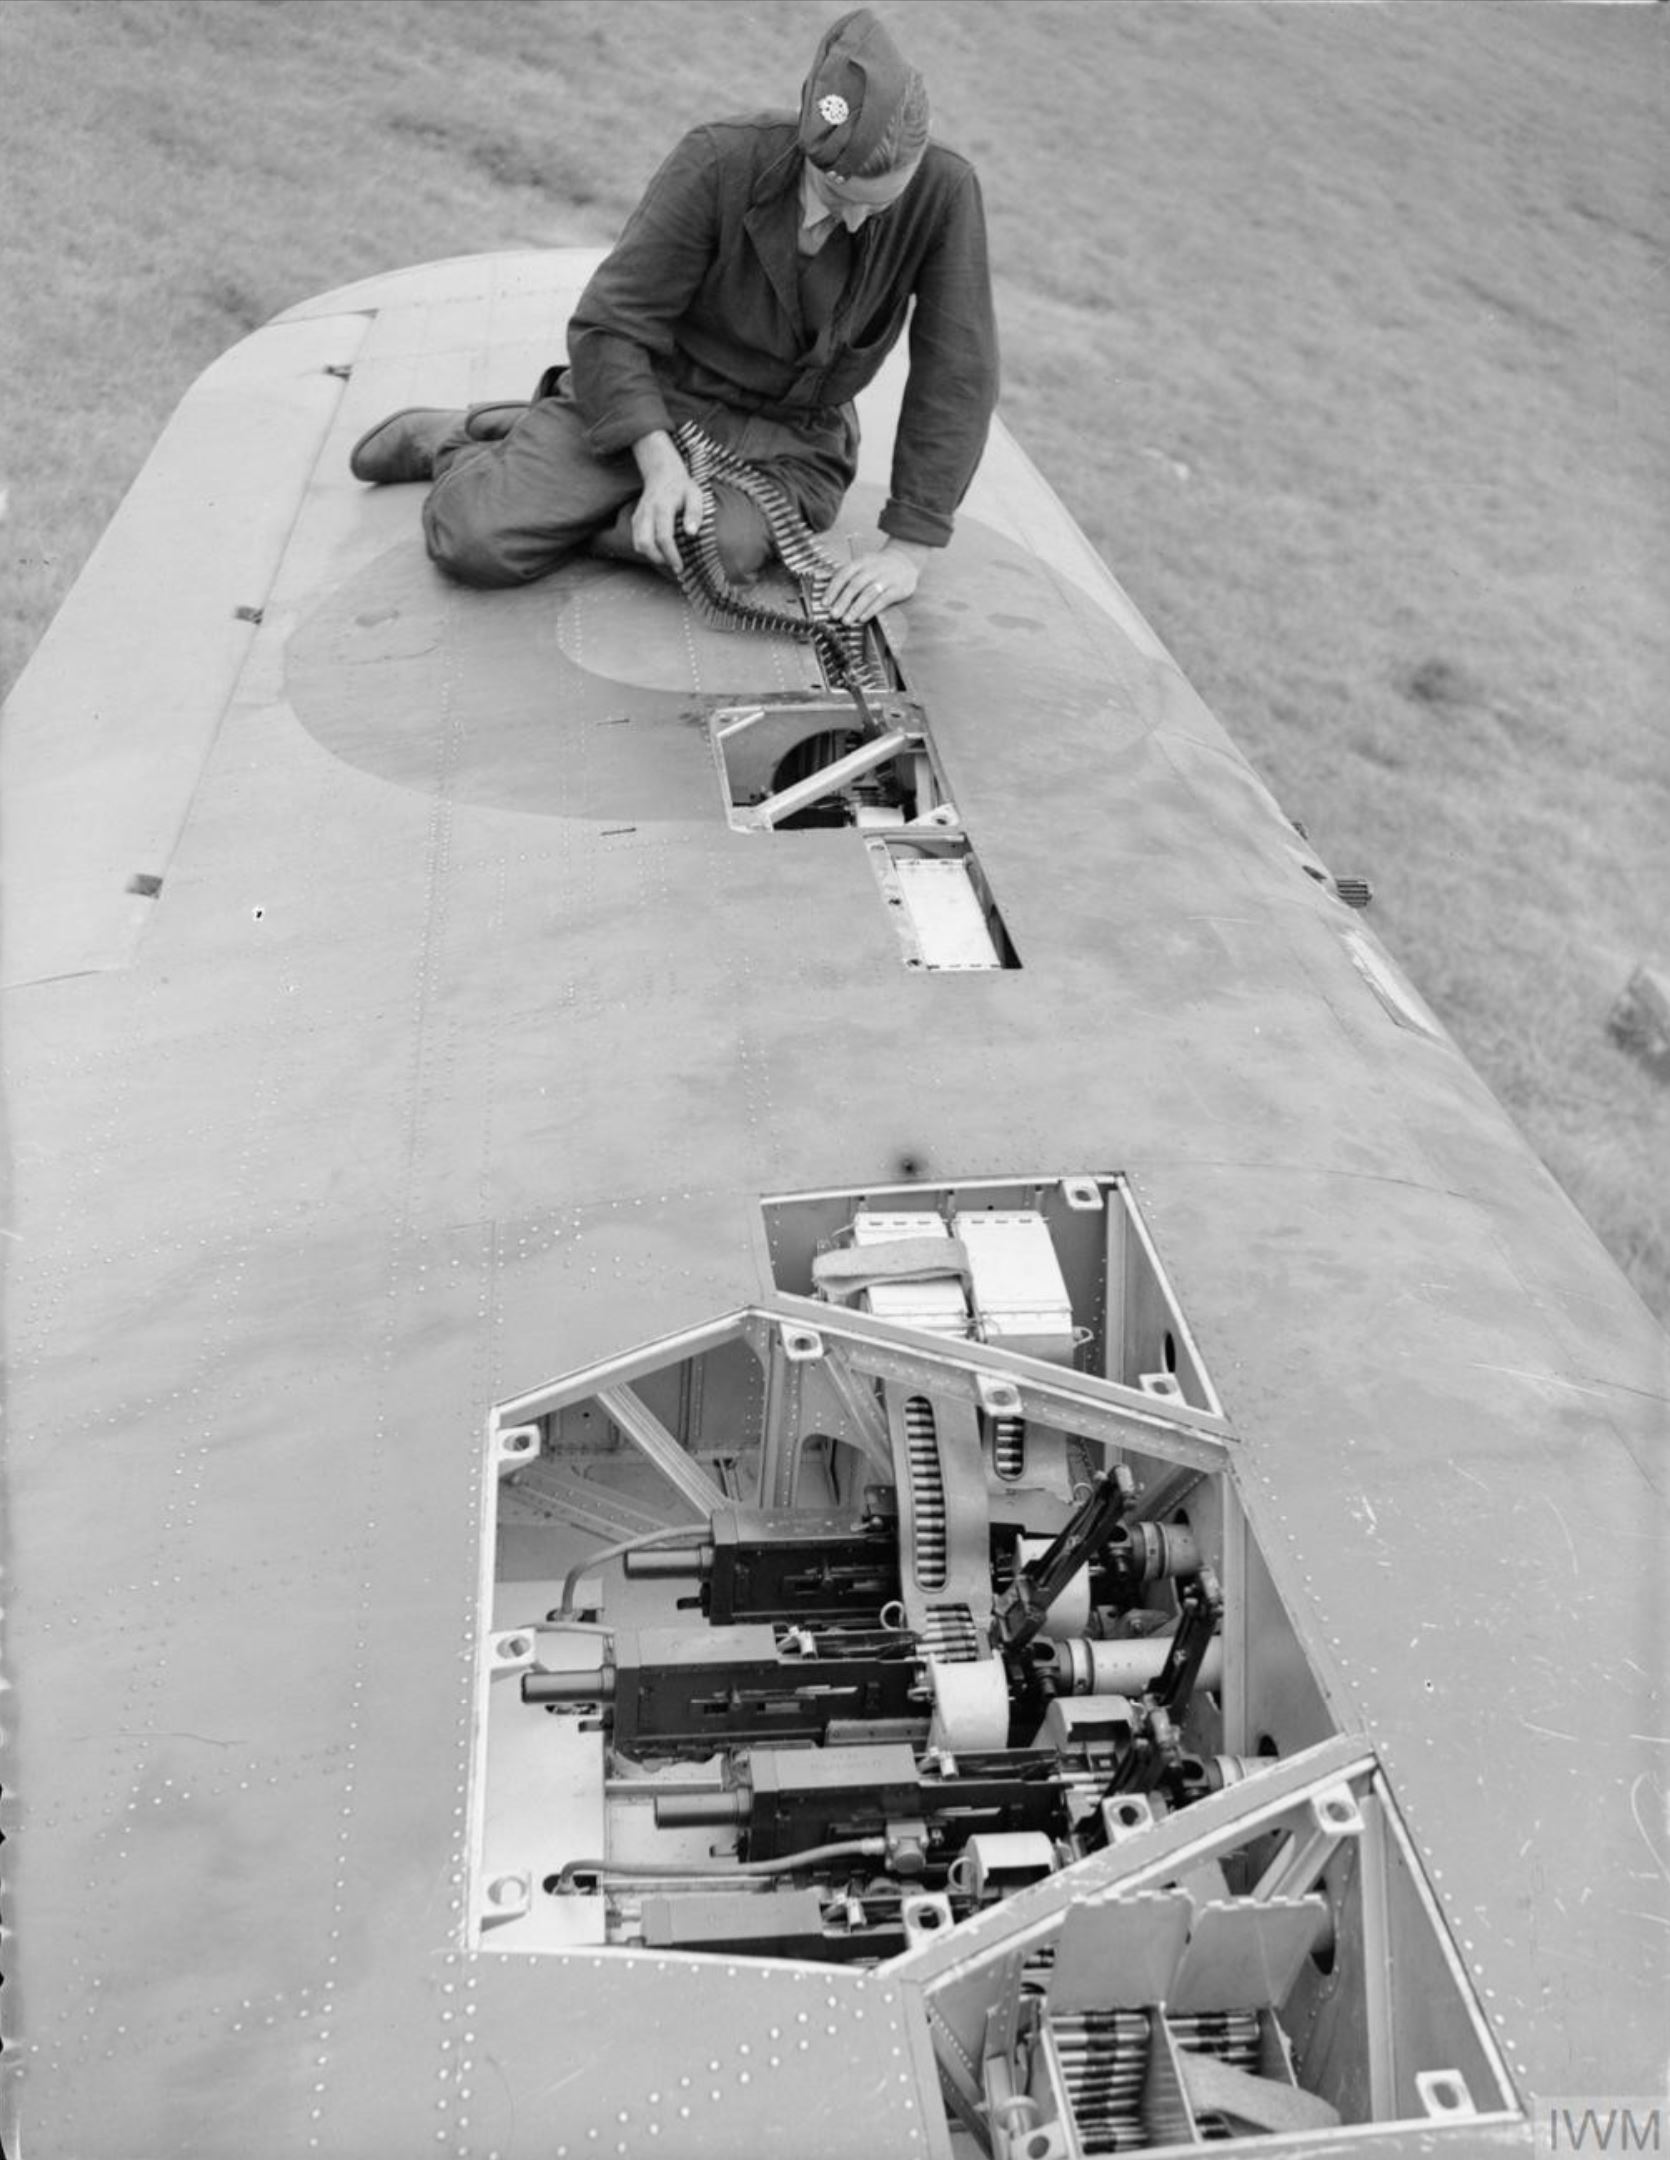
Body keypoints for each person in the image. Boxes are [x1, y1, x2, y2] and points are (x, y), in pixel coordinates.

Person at [349, 7, 998, 630]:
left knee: (713, 552)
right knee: (474, 542)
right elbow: (611, 324)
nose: (856, 221)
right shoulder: (719, 160)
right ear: (807, 143)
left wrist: (907, 549)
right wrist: (659, 465)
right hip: (662, 395)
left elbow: (958, 373)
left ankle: (544, 455)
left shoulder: (945, 192)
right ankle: (464, 440)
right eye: (838, 196)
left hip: (789, 440)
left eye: (878, 208)